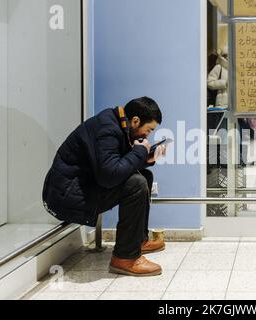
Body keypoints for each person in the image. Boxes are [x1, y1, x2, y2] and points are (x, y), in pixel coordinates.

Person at [42, 97, 166, 277]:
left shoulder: (115, 124)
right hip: (66, 197)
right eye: (148, 130)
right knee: (136, 184)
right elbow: (109, 176)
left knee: (143, 176)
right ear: (135, 121)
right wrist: (139, 152)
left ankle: (137, 241)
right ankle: (125, 258)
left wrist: (146, 159)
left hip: (80, 187)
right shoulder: (107, 129)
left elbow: (114, 167)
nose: (146, 136)